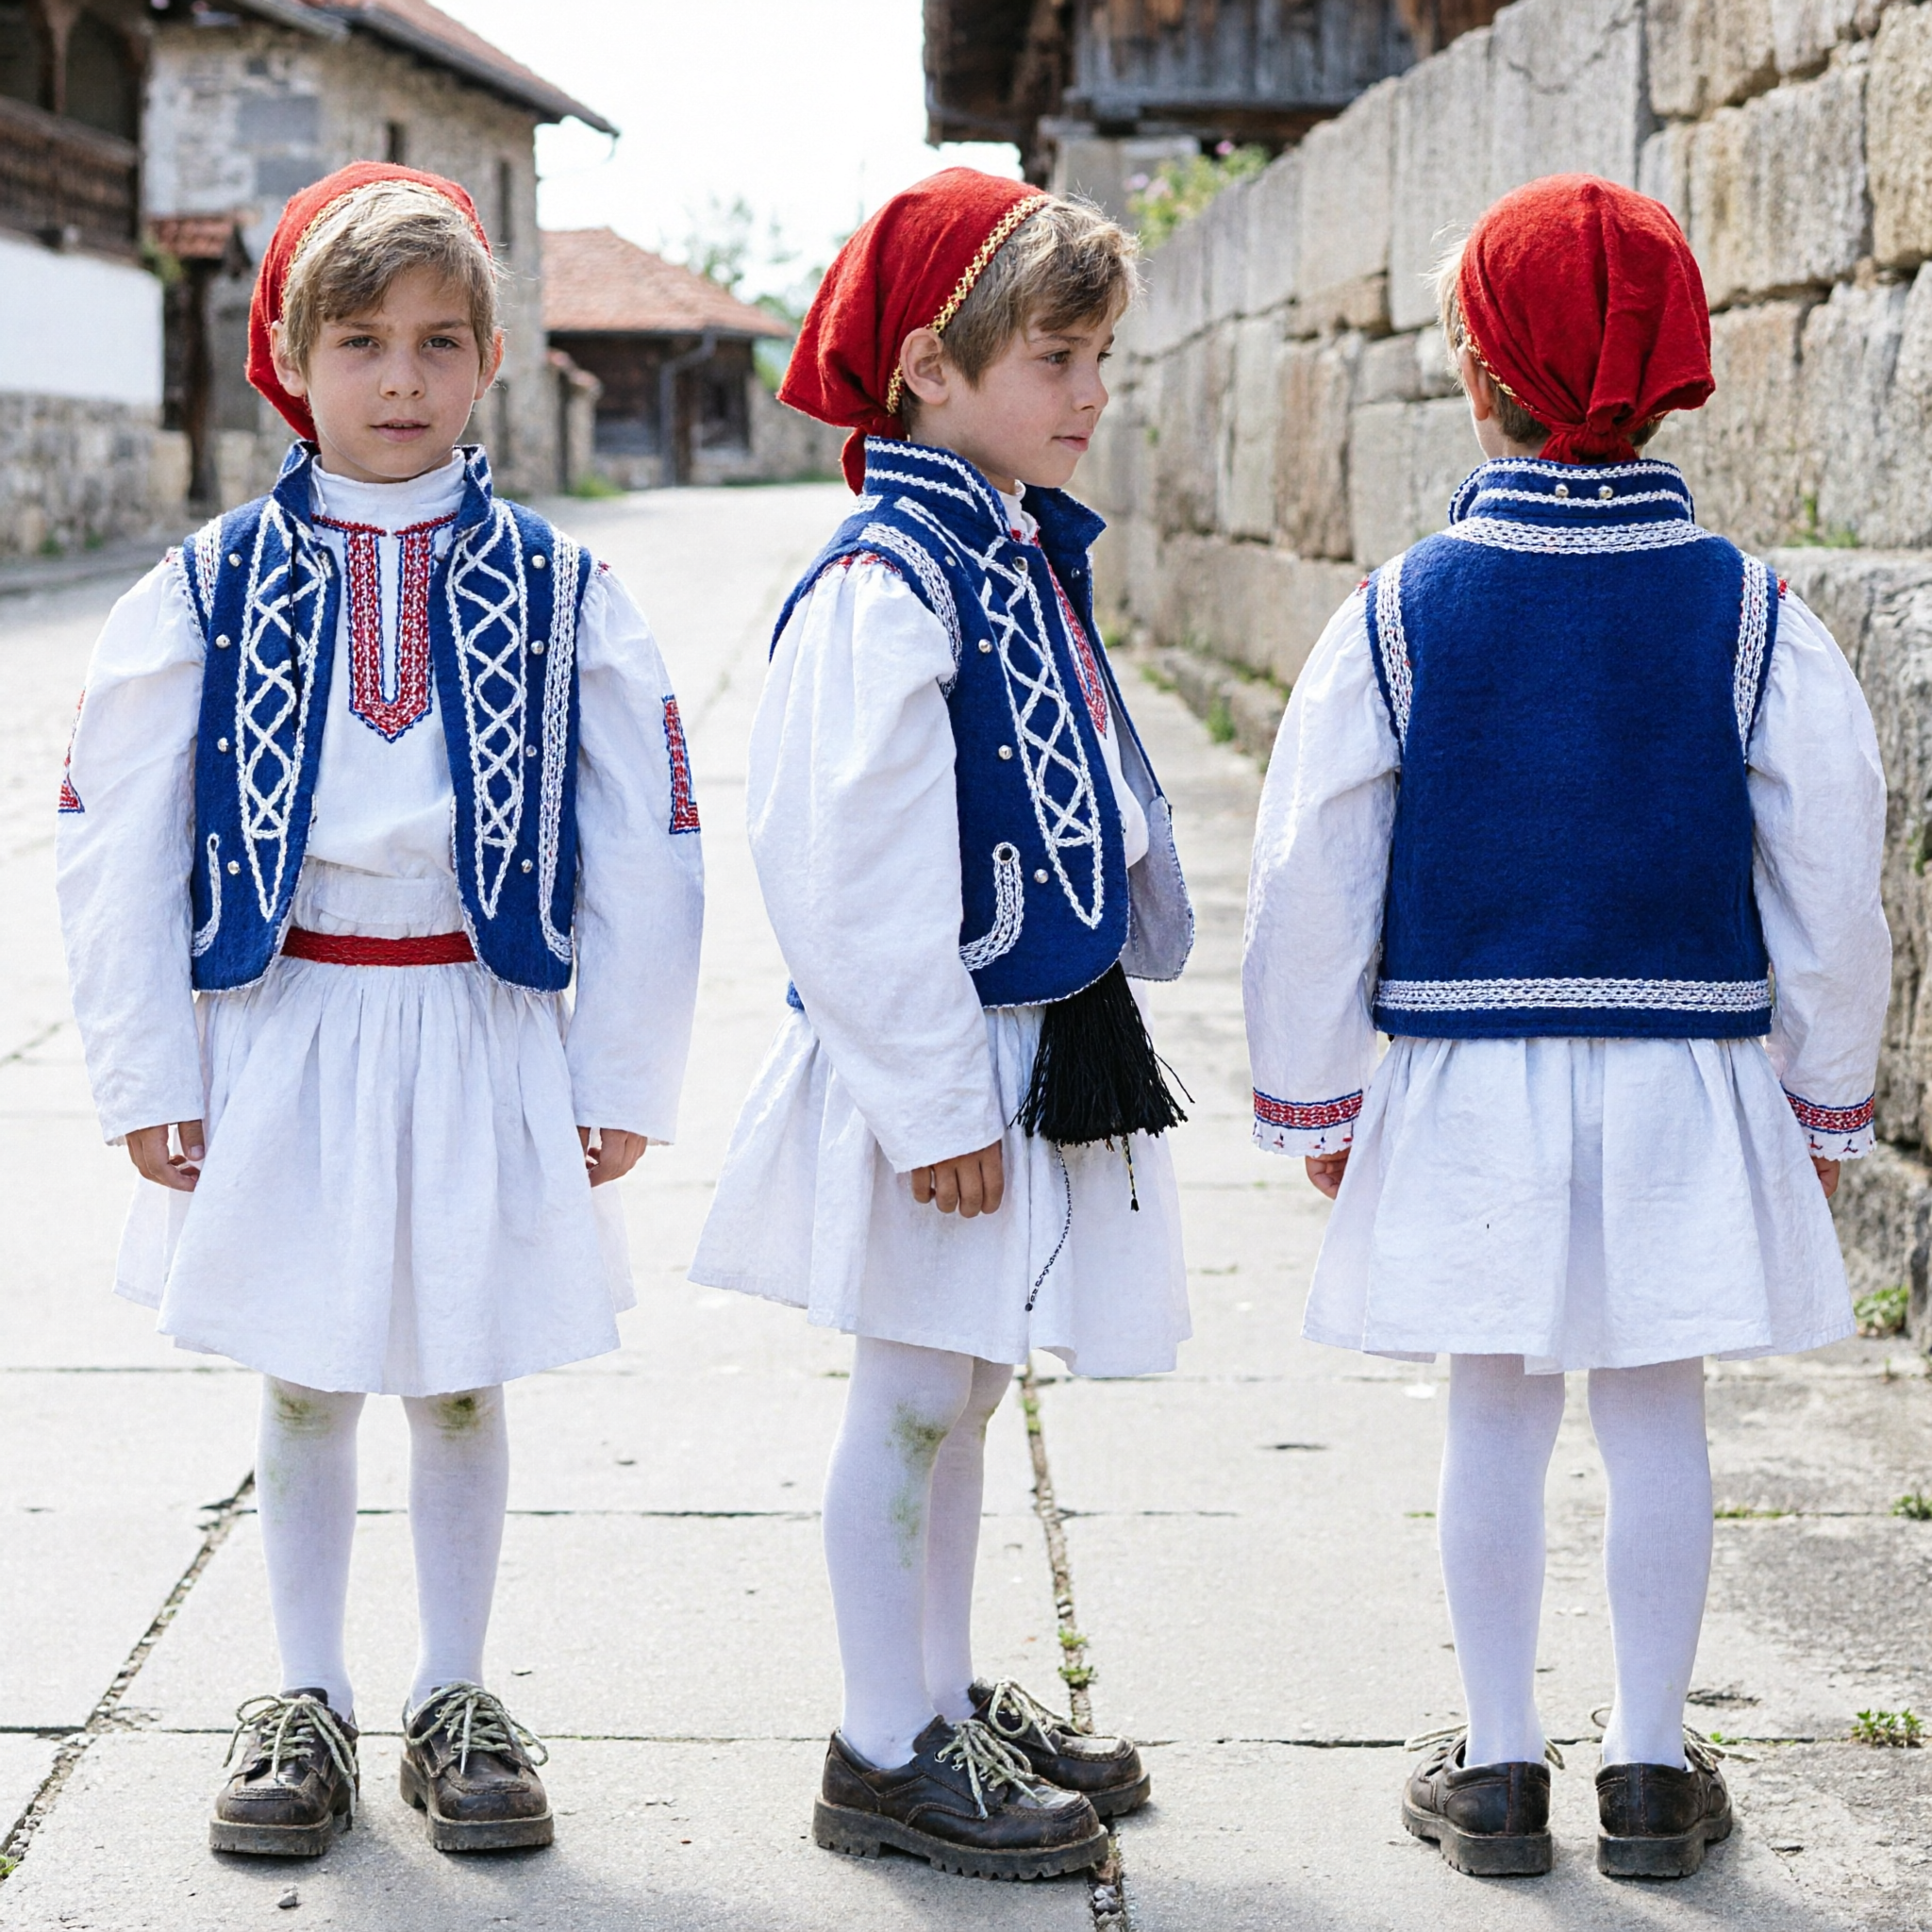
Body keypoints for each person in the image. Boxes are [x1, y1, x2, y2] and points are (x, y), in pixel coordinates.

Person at [1242, 175, 1888, 1882]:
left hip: (1469, 1071)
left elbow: (1314, 868)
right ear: (1676, 371)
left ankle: (1505, 1768)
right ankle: (1658, 1775)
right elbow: (1833, 871)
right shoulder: (1752, 614)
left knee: (1496, 1410)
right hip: (1687, 1068)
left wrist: (1314, 1099)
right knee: (1659, 1408)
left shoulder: (1401, 610)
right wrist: (1825, 1103)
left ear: (1474, 372)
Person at [56, 163, 704, 1859]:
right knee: (302, 1373)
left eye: (435, 343)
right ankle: (302, 1694)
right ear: (291, 355)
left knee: (468, 1373)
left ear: (491, 357)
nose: (398, 381)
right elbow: (109, 836)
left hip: (483, 1021)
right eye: (359, 342)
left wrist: (619, 1061)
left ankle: (457, 1689)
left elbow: (651, 839)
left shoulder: (569, 596)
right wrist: (145, 1064)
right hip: (288, 1022)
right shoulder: (204, 587)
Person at [690, 169, 1193, 1882]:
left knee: (967, 1393)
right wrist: (930, 1103)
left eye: (1099, 356)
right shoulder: (886, 577)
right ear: (927, 363)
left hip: (1006, 1043)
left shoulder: (1005, 547)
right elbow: (839, 866)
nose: (1092, 394)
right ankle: (878, 1745)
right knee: (910, 1396)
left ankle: (939, 1687)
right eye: (1060, 356)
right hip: (936, 1062)